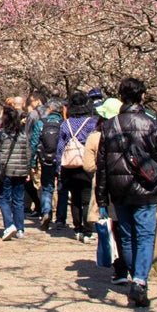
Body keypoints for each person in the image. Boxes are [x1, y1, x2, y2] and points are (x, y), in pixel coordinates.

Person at [95, 77, 157, 308]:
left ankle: (135, 279)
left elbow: (102, 165)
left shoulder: (109, 126)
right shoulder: (153, 124)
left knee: (127, 237)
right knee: (146, 235)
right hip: (146, 188)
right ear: (143, 97)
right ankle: (140, 281)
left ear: (120, 98)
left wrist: (101, 196)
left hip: (119, 190)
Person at [86, 98, 127, 283]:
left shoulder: (96, 137)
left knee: (114, 227)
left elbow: (88, 166)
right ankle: (135, 269)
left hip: (106, 187)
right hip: (130, 188)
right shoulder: (129, 133)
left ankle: (120, 268)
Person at [56, 92, 98, 239]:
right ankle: (87, 230)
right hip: (85, 163)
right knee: (87, 198)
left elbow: (60, 147)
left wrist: (58, 168)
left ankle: (77, 228)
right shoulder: (92, 123)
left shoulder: (65, 124)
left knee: (75, 198)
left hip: (69, 165)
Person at [0, 104, 32, 240]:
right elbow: (28, 153)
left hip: (5, 170)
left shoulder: (1, 134)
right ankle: (20, 229)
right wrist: (28, 169)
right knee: (18, 200)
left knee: (3, 199)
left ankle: (9, 225)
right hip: (21, 171)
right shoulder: (23, 134)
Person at [32, 97, 64, 230]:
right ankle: (61, 219)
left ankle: (46, 212)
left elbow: (34, 143)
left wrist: (32, 162)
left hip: (46, 160)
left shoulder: (41, 123)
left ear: (50, 109)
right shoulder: (64, 123)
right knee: (62, 188)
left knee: (47, 187)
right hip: (62, 161)